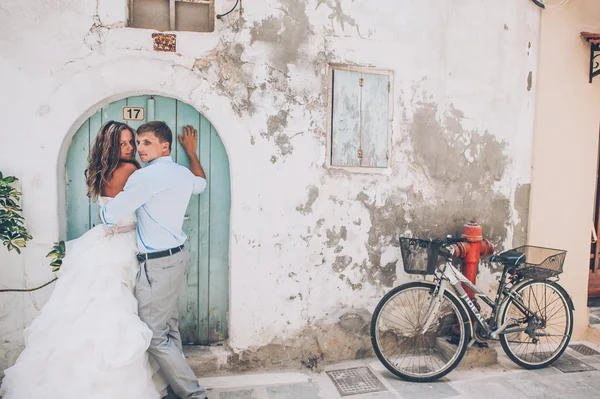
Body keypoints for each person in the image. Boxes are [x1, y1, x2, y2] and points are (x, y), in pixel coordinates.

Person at [0, 121, 165, 398]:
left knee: (86, 309)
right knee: (118, 310)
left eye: (129, 142)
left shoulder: (100, 172)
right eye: (122, 143)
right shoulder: (131, 169)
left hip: (102, 240)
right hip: (124, 242)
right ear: (109, 145)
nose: (128, 148)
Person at [100, 121, 208, 399]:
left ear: (164, 146)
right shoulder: (183, 174)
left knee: (154, 334)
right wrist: (192, 154)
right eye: (137, 143)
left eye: (146, 142)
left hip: (158, 264)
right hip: (177, 258)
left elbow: (110, 216)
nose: (139, 148)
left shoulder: (144, 177)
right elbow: (202, 184)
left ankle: (194, 394)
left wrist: (104, 211)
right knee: (168, 327)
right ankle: (176, 386)